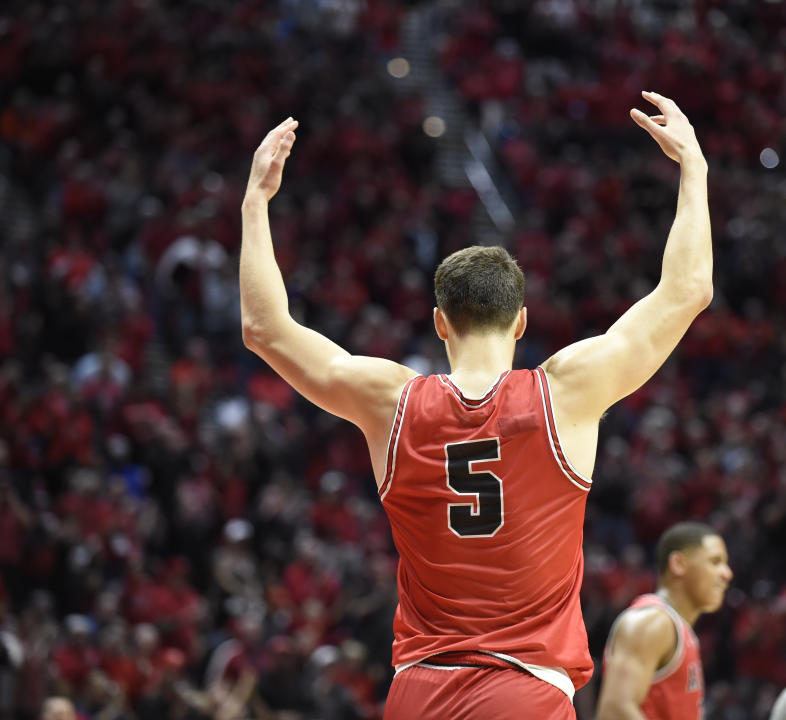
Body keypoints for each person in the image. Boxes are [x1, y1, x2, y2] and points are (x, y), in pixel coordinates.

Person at [239, 91, 712, 718]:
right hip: (525, 689)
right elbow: (687, 291)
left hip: (418, 691)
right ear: (521, 322)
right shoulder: (565, 391)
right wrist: (694, 169)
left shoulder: (391, 401)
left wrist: (254, 203)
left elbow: (264, 330)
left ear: (439, 322)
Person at [596, 522, 732, 720]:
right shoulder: (651, 622)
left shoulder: (679, 629)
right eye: (715, 561)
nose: (727, 573)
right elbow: (615, 711)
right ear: (678, 564)